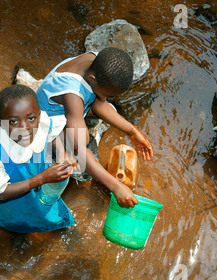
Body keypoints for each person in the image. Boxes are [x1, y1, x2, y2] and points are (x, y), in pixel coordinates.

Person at [36, 47, 154, 208]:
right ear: (92, 79)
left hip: (72, 109)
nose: (108, 98)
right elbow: (80, 149)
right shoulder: (72, 93)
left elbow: (100, 105)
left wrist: (132, 131)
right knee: (77, 157)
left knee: (109, 109)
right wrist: (116, 186)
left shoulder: (98, 61)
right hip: (47, 121)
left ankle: (80, 124)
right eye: (109, 94)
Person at [0, 84, 75, 233]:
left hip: (36, 179)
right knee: (15, 221)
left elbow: (51, 135)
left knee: (40, 210)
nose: (24, 127)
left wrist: (62, 154)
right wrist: (42, 179)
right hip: (11, 198)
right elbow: (0, 194)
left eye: (31, 118)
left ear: (38, 114)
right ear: (0, 122)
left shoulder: (41, 120)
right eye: (13, 121)